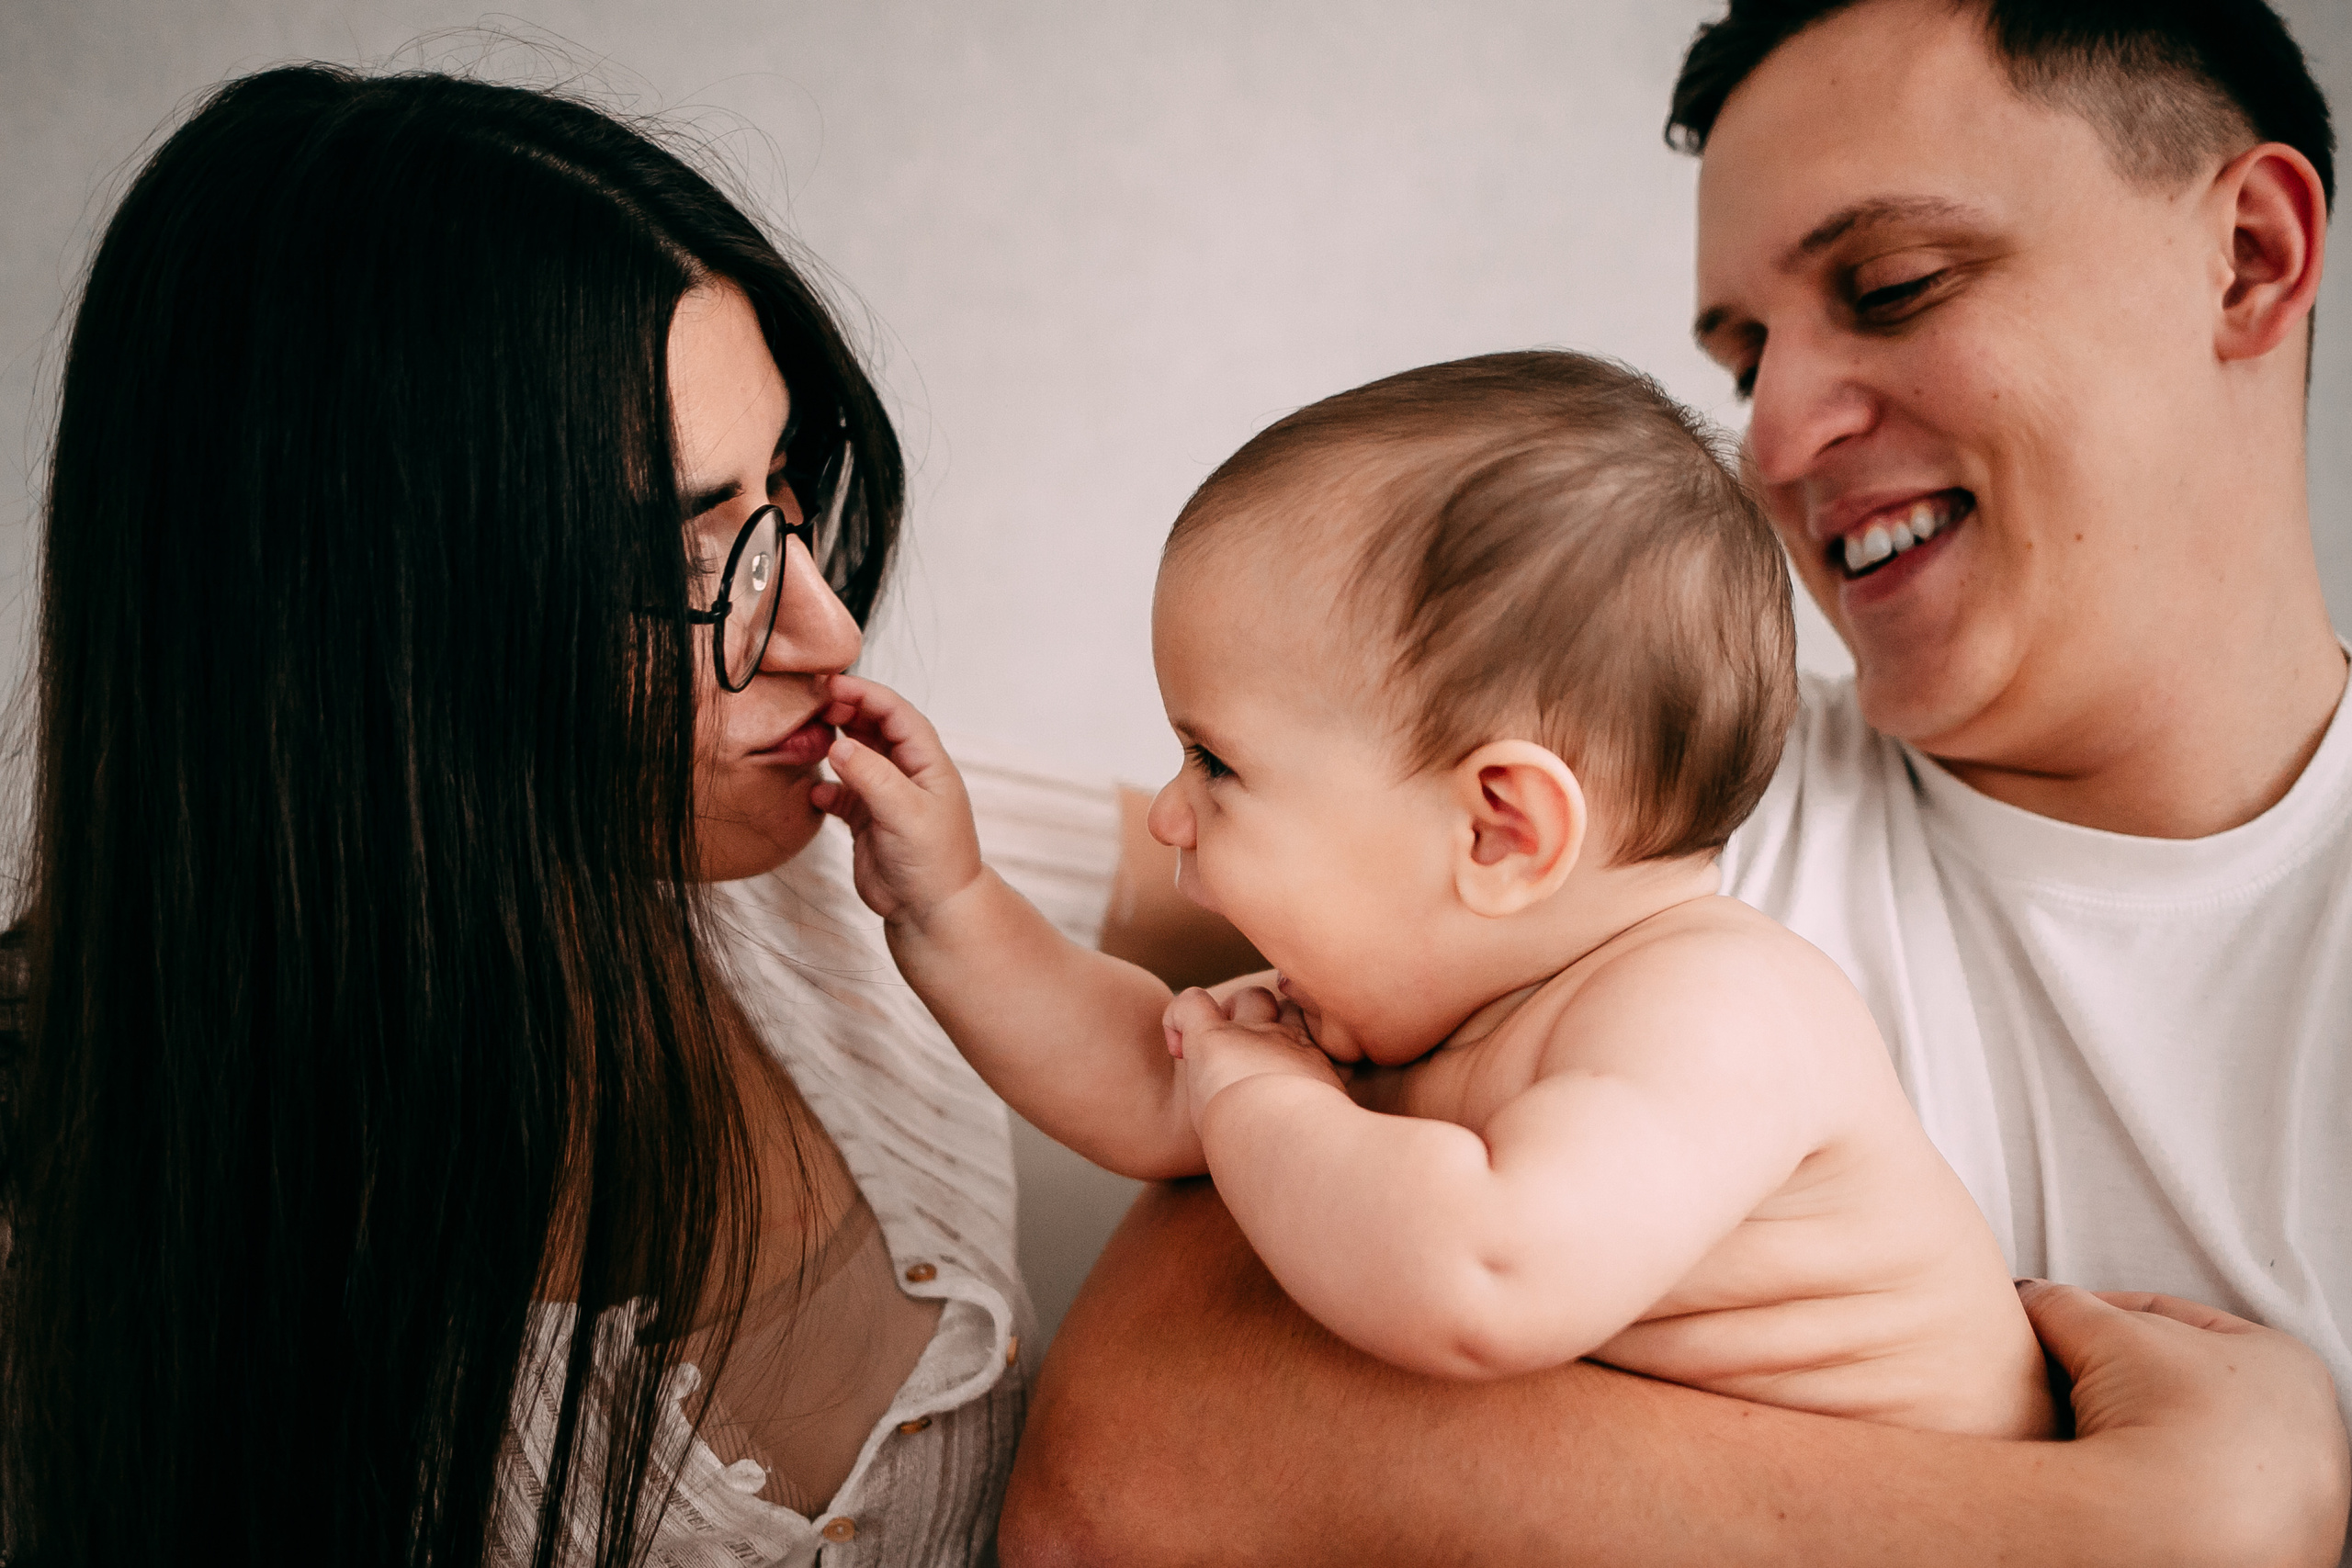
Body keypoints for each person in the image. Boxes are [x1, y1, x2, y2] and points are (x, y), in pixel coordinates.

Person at [1002, 2, 2352, 1563]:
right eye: (1747, 351)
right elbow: (1141, 1426)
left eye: (1894, 287)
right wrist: (2120, 1531)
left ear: (2248, 256)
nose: (1772, 433)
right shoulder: (1647, 806)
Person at [0, 64, 1227, 1568]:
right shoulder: (78, 1240)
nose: (826, 630)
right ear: (366, 638)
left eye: (782, 494)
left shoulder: (837, 829)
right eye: (693, 547)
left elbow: (1393, 901)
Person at [812, 348, 2051, 1438]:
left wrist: (1259, 1091)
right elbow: (1153, 1076)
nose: (1172, 813)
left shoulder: (1723, 1012)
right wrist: (949, 905)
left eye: (1219, 764)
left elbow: (1483, 1275)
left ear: (1498, 831)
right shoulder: (1424, 994)